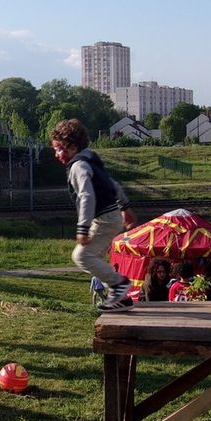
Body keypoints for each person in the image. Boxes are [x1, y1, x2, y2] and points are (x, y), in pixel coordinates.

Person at [50, 118, 136, 312]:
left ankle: (119, 285)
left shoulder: (78, 167)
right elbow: (113, 184)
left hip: (104, 220)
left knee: (81, 256)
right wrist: (125, 207)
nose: (56, 154)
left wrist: (83, 227)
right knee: (94, 258)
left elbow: (86, 196)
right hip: (112, 216)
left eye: (58, 149)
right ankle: (120, 297)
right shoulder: (91, 159)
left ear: (71, 147)